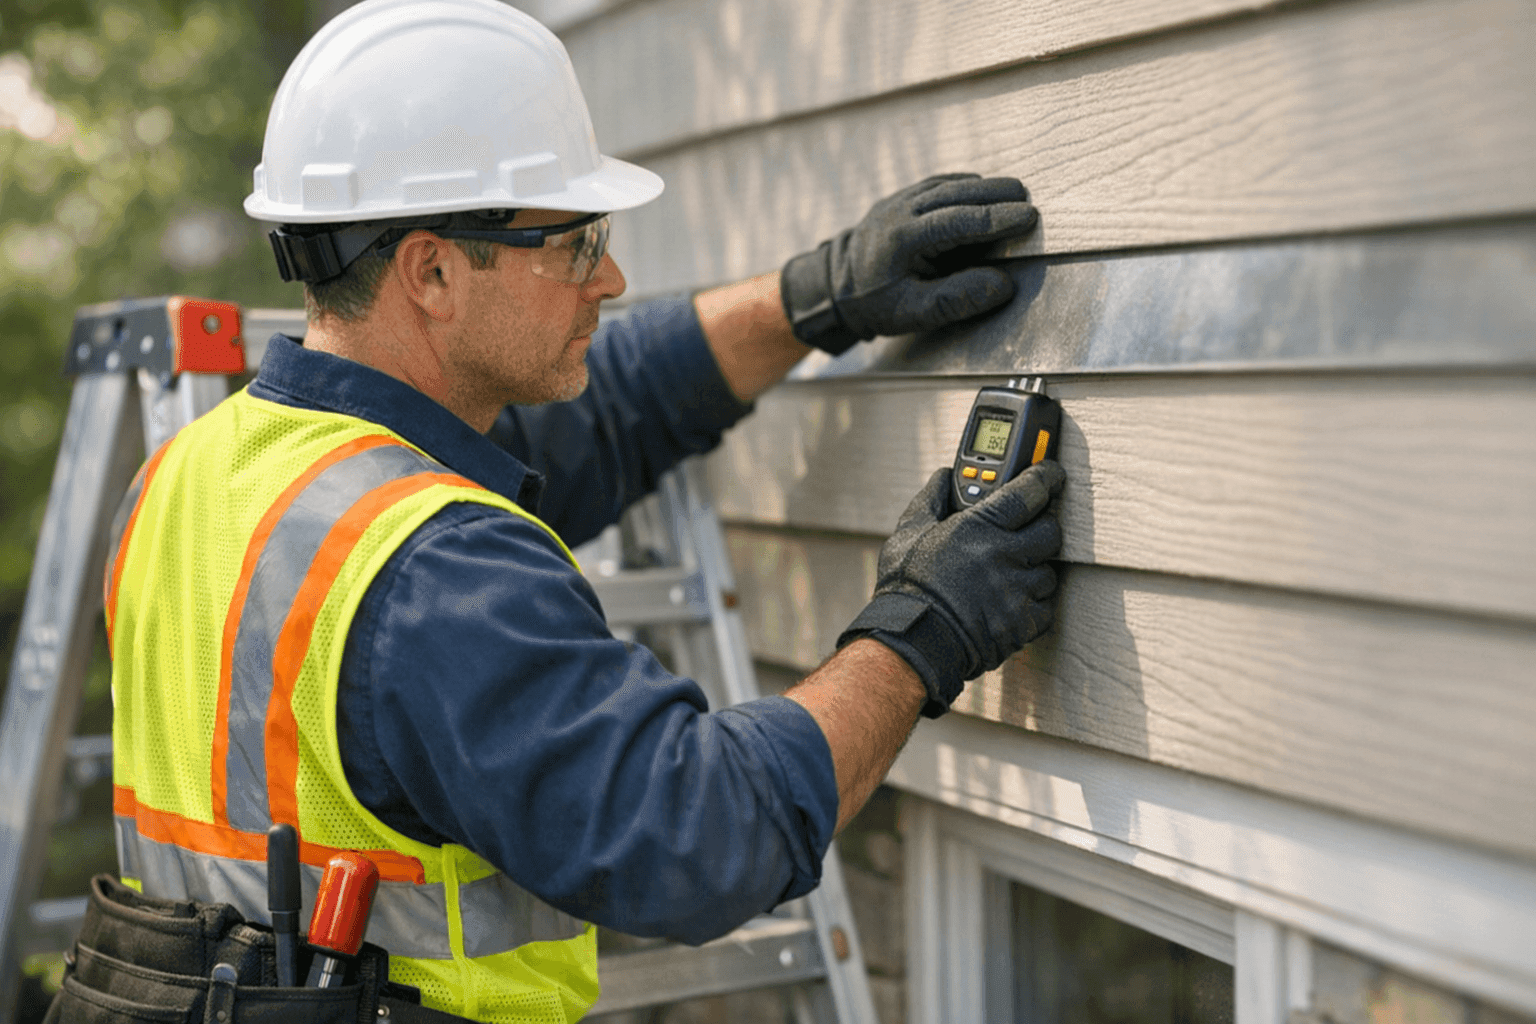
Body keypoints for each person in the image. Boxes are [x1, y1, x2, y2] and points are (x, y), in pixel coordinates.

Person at [98, 0, 1065, 1021]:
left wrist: (818, 296)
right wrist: (923, 628)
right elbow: (693, 837)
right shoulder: (432, 569)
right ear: (432, 271)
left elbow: (611, 413)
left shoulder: (190, 474)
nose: (610, 277)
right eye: (574, 241)